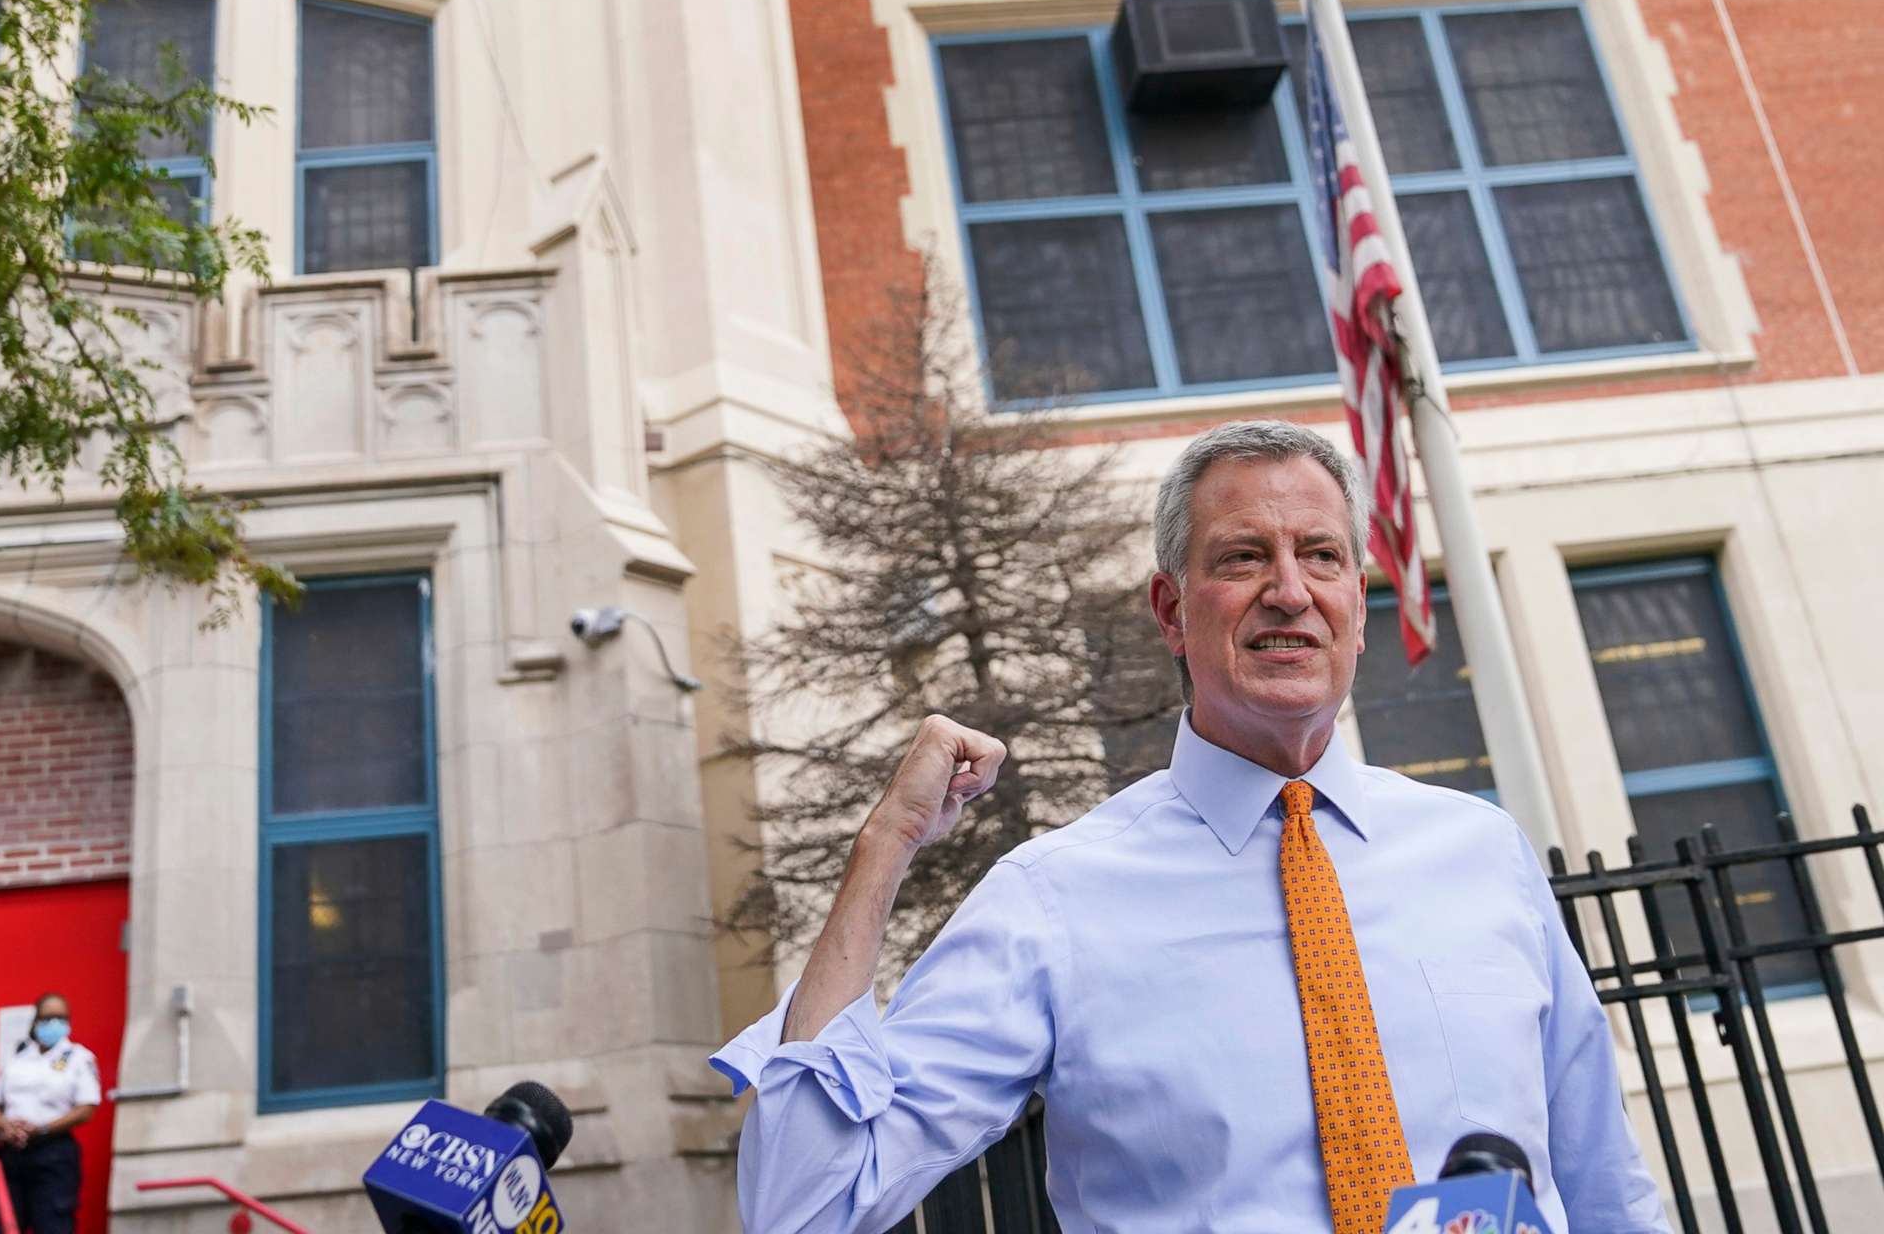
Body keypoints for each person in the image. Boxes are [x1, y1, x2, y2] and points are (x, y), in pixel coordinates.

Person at [711, 419, 1669, 1234]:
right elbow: (807, 1204)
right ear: (1171, 611)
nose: (1290, 591)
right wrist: (883, 849)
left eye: (1322, 556)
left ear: (1358, 608)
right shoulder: (1055, 901)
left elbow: (1603, 1188)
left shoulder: (1481, 852)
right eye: (1243, 557)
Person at [0, 992, 101, 1234]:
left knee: (53, 1225)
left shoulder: (79, 1058)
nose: (54, 1023)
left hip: (53, 1154)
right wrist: (7, 1127)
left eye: (61, 1018)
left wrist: (43, 1128)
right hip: (13, 1153)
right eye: (48, 1018)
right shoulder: (17, 1059)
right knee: (4, 1225)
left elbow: (86, 1108)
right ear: (35, 1021)